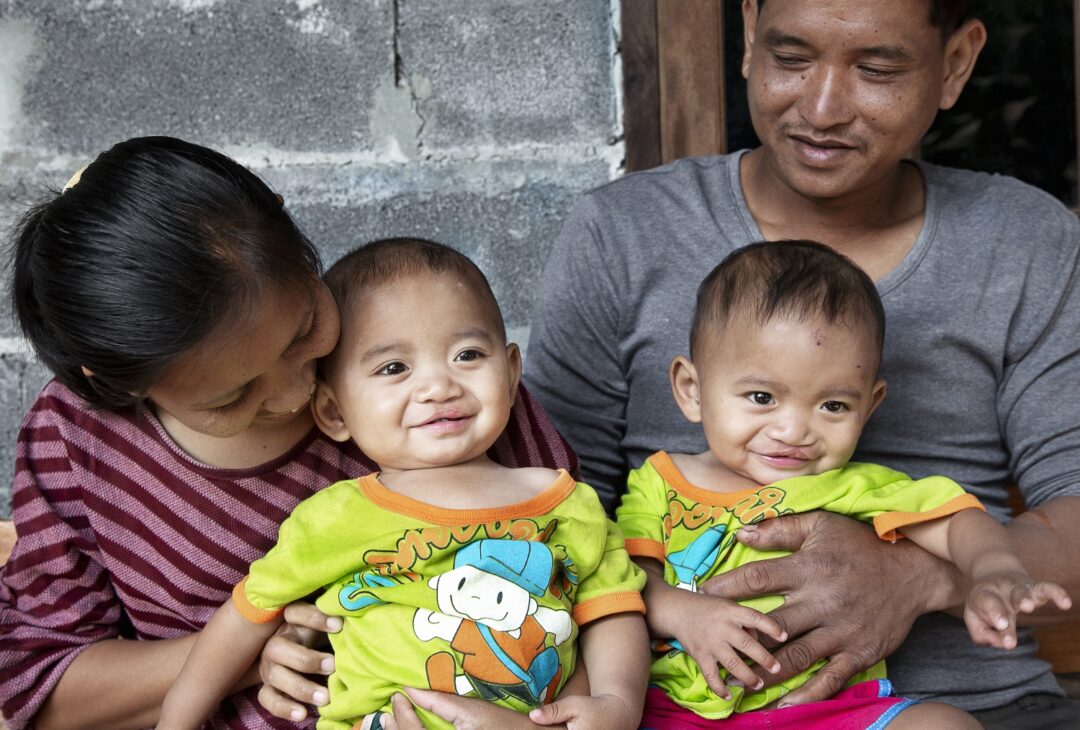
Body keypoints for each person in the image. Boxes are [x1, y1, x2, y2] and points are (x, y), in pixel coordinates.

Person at [525, 0, 1080, 724]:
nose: (821, 109)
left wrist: (916, 579)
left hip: (960, 705)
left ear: (955, 63)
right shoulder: (622, 234)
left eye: (876, 69)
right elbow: (551, 518)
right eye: (790, 59)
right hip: (679, 704)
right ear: (749, 34)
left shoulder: (1026, 242)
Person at [0, 138, 579, 730]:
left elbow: (574, 586)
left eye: (304, 329)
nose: (297, 393)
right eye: (232, 397)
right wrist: (245, 651)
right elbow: (41, 686)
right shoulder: (76, 436)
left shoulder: (429, 383)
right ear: (122, 387)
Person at [158, 237, 649, 730]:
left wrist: (618, 705)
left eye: (468, 354)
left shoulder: (566, 501)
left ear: (511, 371)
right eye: (394, 368)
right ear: (333, 410)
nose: (439, 386)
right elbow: (242, 620)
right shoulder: (335, 517)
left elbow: (612, 606)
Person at [618, 240, 1071, 729]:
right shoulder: (661, 482)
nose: (793, 431)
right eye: (761, 396)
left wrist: (994, 570)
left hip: (829, 711)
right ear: (692, 390)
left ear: (869, 406)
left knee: (946, 725)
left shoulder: (852, 486)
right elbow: (630, 583)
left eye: (833, 405)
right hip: (678, 709)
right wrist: (686, 614)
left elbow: (957, 520)